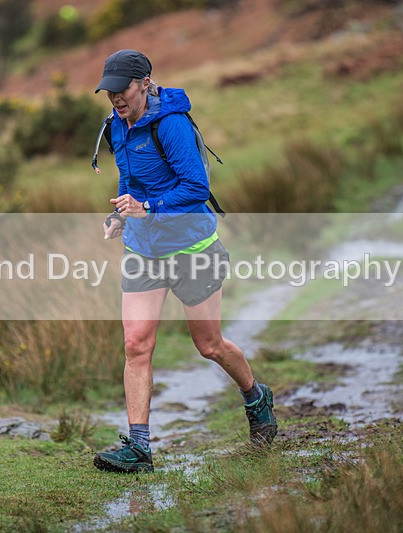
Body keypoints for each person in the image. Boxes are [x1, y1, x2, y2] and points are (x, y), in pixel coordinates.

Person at [92, 49, 277, 473]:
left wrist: (150, 207)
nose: (116, 98)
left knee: (208, 345)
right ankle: (139, 448)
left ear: (144, 83)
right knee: (136, 344)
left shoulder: (171, 124)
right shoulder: (116, 126)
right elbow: (129, 180)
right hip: (144, 249)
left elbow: (195, 187)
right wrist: (121, 215)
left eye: (122, 90)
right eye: (109, 92)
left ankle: (256, 396)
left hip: (193, 248)